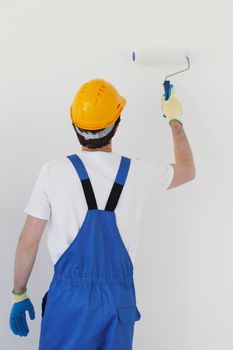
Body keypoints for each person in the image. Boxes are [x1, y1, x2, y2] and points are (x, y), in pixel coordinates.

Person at [9, 78, 195, 349]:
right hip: (117, 300)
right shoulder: (137, 172)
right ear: (116, 124)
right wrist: (174, 118)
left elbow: (29, 241)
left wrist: (18, 293)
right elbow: (187, 170)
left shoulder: (53, 172)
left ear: (74, 125)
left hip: (68, 301)